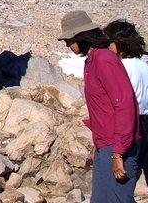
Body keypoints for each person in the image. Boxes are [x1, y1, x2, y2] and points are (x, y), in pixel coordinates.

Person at [59, 11, 140, 202]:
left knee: (118, 199)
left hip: (118, 146)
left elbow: (124, 104)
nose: (67, 44)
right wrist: (97, 144)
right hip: (105, 144)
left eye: (69, 39)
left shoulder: (104, 60)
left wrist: (118, 153)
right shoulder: (92, 61)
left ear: (81, 37)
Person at [103, 20, 148, 201]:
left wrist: (116, 152)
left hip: (128, 128)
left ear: (118, 43)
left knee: (121, 187)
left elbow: (122, 106)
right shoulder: (147, 68)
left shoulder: (121, 68)